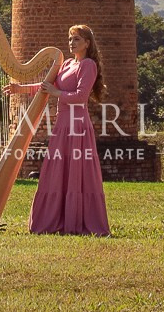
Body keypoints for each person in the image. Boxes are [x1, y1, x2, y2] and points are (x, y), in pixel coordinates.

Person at [6, 24, 110, 236]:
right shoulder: (68, 64)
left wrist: (56, 93)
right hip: (62, 123)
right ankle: (53, 219)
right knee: (56, 170)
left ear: (87, 43)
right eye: (70, 39)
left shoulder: (88, 65)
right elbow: (46, 87)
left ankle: (77, 219)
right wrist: (20, 88)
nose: (72, 43)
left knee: (76, 171)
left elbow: (80, 97)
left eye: (77, 39)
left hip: (77, 124)